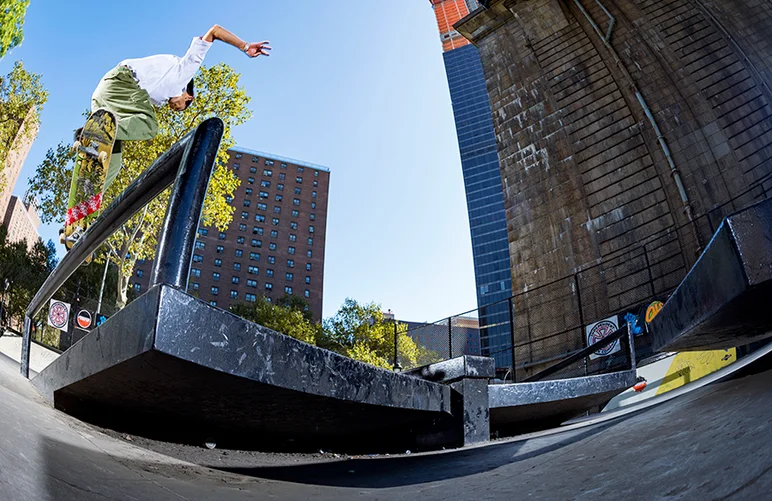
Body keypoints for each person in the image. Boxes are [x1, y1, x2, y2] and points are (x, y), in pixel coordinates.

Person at [88, 25, 271, 189]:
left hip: (105, 99)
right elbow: (214, 31)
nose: (174, 109)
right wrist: (244, 46)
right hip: (121, 83)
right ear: (188, 96)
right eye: (181, 107)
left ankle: (84, 207)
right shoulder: (184, 73)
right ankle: (96, 132)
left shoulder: (157, 96)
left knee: (114, 162)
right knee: (150, 126)